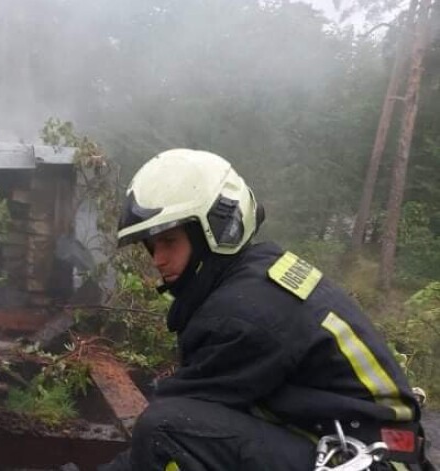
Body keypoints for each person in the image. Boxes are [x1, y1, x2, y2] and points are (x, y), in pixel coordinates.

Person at [95, 149, 435, 471]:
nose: (158, 260)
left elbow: (169, 428)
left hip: (365, 460)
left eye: (169, 242)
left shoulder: (241, 316)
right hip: (358, 447)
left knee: (163, 429)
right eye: (152, 246)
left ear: (214, 230)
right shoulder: (258, 274)